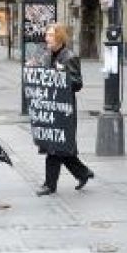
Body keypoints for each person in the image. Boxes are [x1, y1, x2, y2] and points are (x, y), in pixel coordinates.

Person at [29, 23, 94, 195]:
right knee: (59, 146)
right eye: (47, 35)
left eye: (50, 35)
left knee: (54, 147)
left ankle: (49, 185)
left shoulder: (69, 57)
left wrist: (62, 74)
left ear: (59, 37)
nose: (46, 38)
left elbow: (77, 83)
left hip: (63, 109)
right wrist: (34, 67)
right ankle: (83, 172)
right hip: (50, 107)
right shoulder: (47, 54)